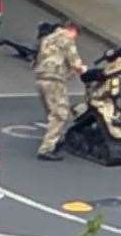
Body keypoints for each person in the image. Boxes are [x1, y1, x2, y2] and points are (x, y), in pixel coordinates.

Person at [33, 21, 87, 161]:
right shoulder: (67, 39)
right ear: (73, 30)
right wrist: (83, 70)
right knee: (60, 115)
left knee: (52, 112)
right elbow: (75, 63)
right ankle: (47, 148)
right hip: (54, 80)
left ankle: (58, 139)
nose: (75, 38)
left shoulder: (47, 39)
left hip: (41, 79)